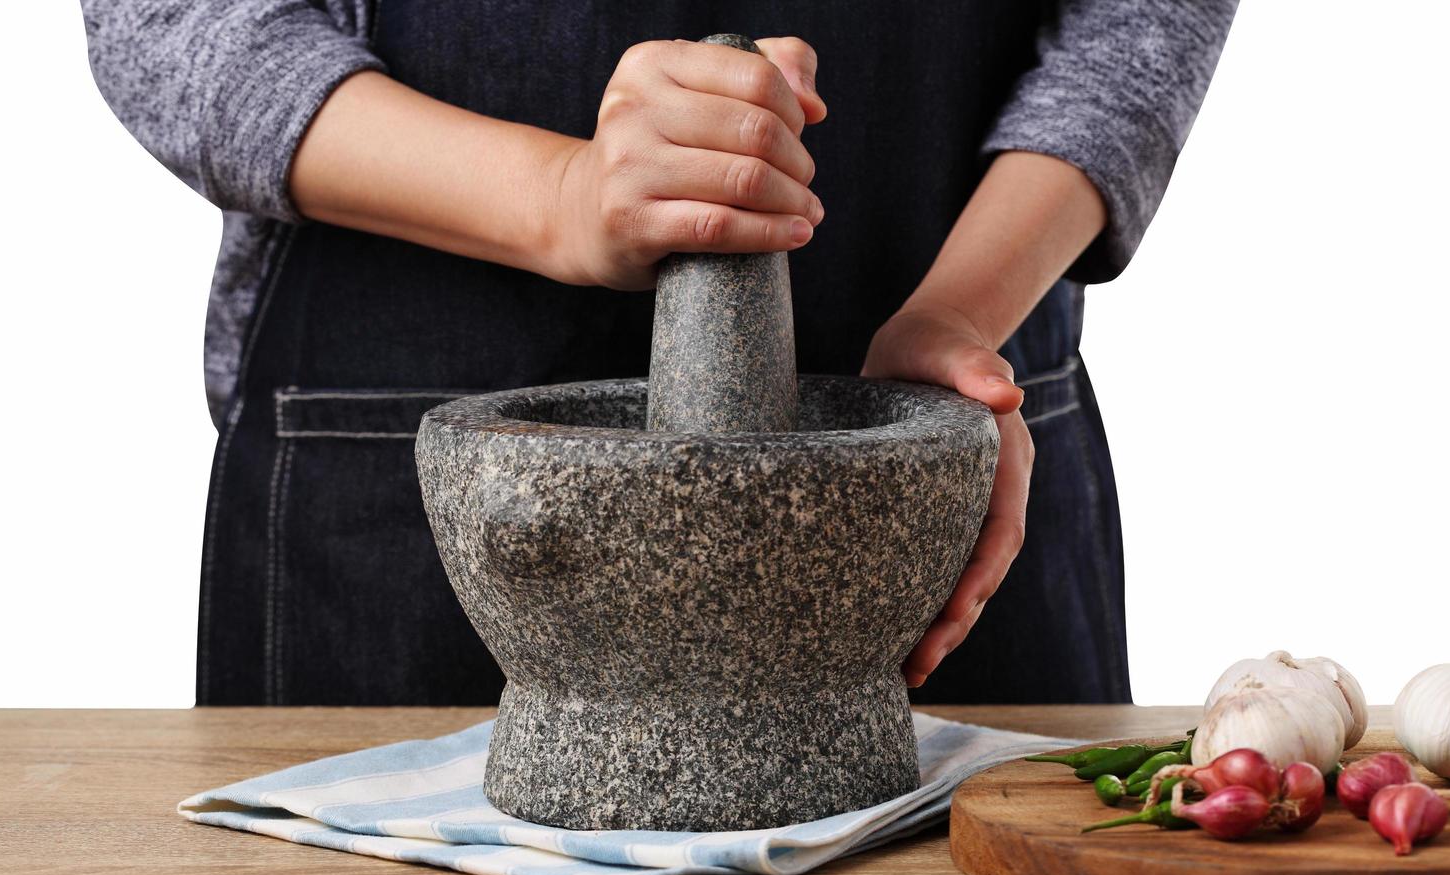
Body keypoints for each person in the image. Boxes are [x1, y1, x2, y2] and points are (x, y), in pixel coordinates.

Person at [82, 1, 1237, 707]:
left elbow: (1138, 18)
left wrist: (961, 312)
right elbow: (174, 17)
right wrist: (558, 197)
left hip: (948, 450)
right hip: (384, 499)